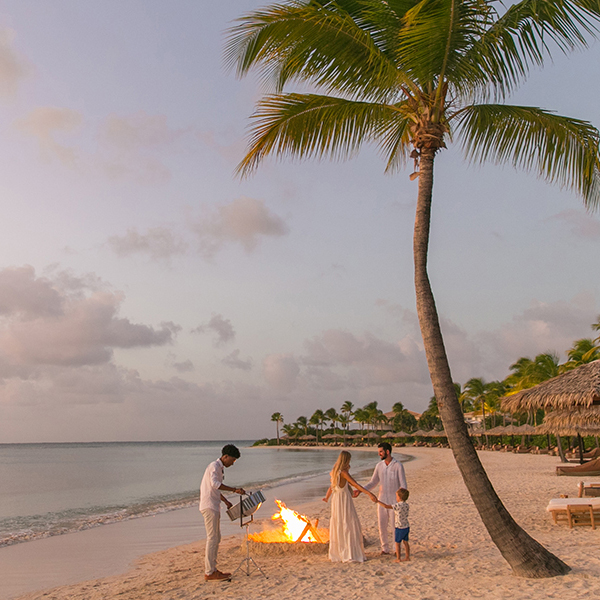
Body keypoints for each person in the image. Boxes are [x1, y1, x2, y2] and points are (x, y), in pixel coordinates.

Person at [199, 444, 246, 582]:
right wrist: (234, 490)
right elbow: (214, 484)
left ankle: (213, 569)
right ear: (225, 456)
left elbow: (214, 489)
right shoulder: (214, 466)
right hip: (209, 506)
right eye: (232, 460)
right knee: (212, 538)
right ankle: (209, 572)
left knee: (216, 538)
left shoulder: (219, 468)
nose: (233, 463)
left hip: (214, 505)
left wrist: (225, 501)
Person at [322, 450, 378, 562]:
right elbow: (355, 484)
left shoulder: (334, 472)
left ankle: (339, 552)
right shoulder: (343, 473)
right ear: (346, 460)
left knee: (339, 523)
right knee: (347, 523)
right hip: (344, 501)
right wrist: (369, 493)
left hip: (336, 501)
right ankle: (349, 553)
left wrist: (327, 497)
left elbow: (331, 487)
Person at [354, 442, 407, 554]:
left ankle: (395, 549)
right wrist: (360, 490)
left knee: (394, 526)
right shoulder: (379, 466)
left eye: (381, 452)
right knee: (381, 525)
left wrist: (401, 501)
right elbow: (373, 482)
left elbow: (403, 485)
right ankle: (385, 548)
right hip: (381, 499)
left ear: (387, 452)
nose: (379, 454)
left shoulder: (398, 465)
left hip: (394, 501)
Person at [378, 487, 410, 562]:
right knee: (406, 542)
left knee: (397, 543)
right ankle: (407, 557)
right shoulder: (406, 505)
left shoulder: (397, 505)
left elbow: (386, 506)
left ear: (399, 497)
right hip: (406, 526)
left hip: (399, 527)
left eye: (397, 496)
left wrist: (378, 501)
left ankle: (398, 558)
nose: (396, 498)